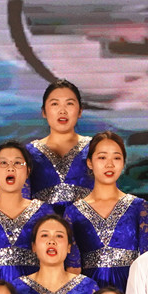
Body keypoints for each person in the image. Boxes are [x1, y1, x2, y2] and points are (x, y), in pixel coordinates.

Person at [0, 141, 75, 288]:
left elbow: (64, 261)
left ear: (28, 171)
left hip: (33, 289)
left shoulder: (43, 211)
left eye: (18, 163)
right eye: (3, 163)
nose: (10, 168)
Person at [65, 131, 148, 289]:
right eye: (102, 157)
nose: (110, 164)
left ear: (123, 163)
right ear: (90, 162)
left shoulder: (138, 207)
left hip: (131, 289)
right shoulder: (73, 212)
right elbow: (72, 268)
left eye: (116, 158)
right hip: (90, 292)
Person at [26, 79, 93, 213]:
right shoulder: (28, 153)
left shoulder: (96, 148)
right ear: (44, 112)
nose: (62, 111)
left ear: (80, 111)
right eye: (55, 104)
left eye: (69, 104)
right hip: (42, 224)